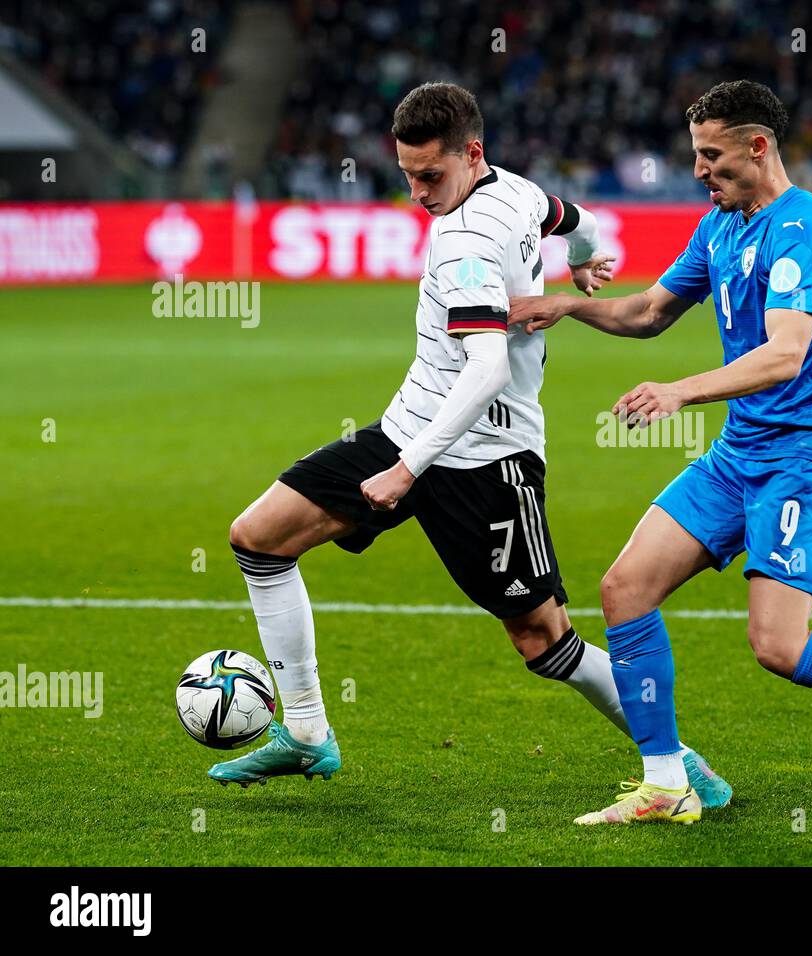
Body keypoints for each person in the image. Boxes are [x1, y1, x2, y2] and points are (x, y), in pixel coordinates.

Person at [212, 82, 732, 811]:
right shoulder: (514, 190)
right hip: (411, 427)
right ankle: (305, 733)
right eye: (406, 174)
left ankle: (677, 763)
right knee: (258, 540)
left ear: (471, 154)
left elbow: (486, 371)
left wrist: (405, 470)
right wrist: (588, 258)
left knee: (543, 642)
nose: (419, 192)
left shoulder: (465, 242)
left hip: (488, 460)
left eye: (431, 176)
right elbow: (573, 219)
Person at [510, 81, 812, 826]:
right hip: (740, 451)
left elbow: (784, 355)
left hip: (804, 457)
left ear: (758, 146)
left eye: (711, 156)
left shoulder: (800, 229)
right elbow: (650, 311)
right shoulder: (720, 225)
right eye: (696, 157)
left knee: (778, 645)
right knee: (625, 588)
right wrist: (571, 305)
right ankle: (665, 782)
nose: (701, 171)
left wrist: (680, 392)